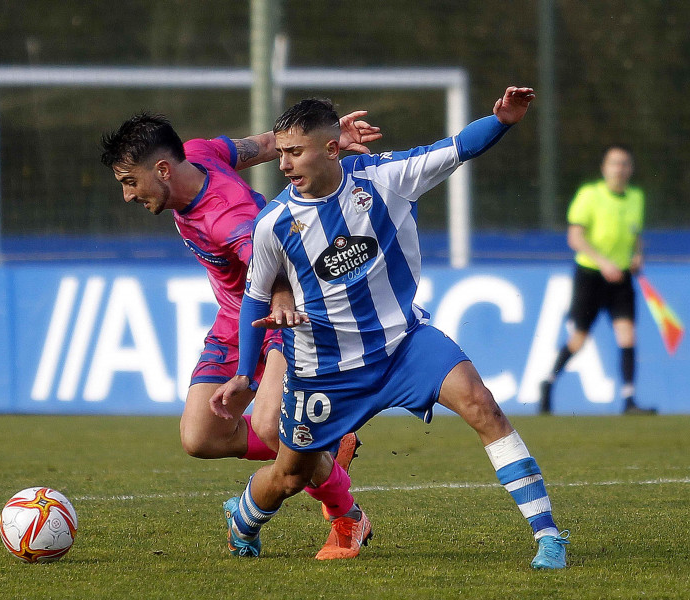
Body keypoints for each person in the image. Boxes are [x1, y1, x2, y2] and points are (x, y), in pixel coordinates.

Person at [211, 88, 570, 568]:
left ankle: (548, 536)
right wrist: (243, 378)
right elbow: (256, 297)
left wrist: (501, 120)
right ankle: (245, 520)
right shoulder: (273, 222)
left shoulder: (386, 178)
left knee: (482, 406)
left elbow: (458, 146)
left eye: (295, 152)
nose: (283, 164)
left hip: (403, 345)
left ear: (331, 148)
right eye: (282, 152)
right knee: (292, 475)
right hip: (325, 369)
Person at [99, 110, 381, 529]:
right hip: (234, 316)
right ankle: (323, 442)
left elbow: (276, 273)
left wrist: (282, 311)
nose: (127, 195)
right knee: (201, 437)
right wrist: (325, 136)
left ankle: (347, 515)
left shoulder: (228, 218)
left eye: (129, 182)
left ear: (162, 170)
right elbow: (265, 146)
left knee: (272, 429)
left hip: (280, 314)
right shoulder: (199, 154)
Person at [539, 144, 656, 415]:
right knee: (579, 338)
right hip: (591, 275)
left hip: (622, 277)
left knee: (627, 335)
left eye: (625, 163)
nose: (619, 169)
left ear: (631, 169)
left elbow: (635, 234)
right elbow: (575, 237)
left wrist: (638, 255)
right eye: (614, 163)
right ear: (604, 168)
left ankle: (629, 399)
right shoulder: (590, 195)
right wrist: (603, 263)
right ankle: (548, 383)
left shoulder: (636, 198)